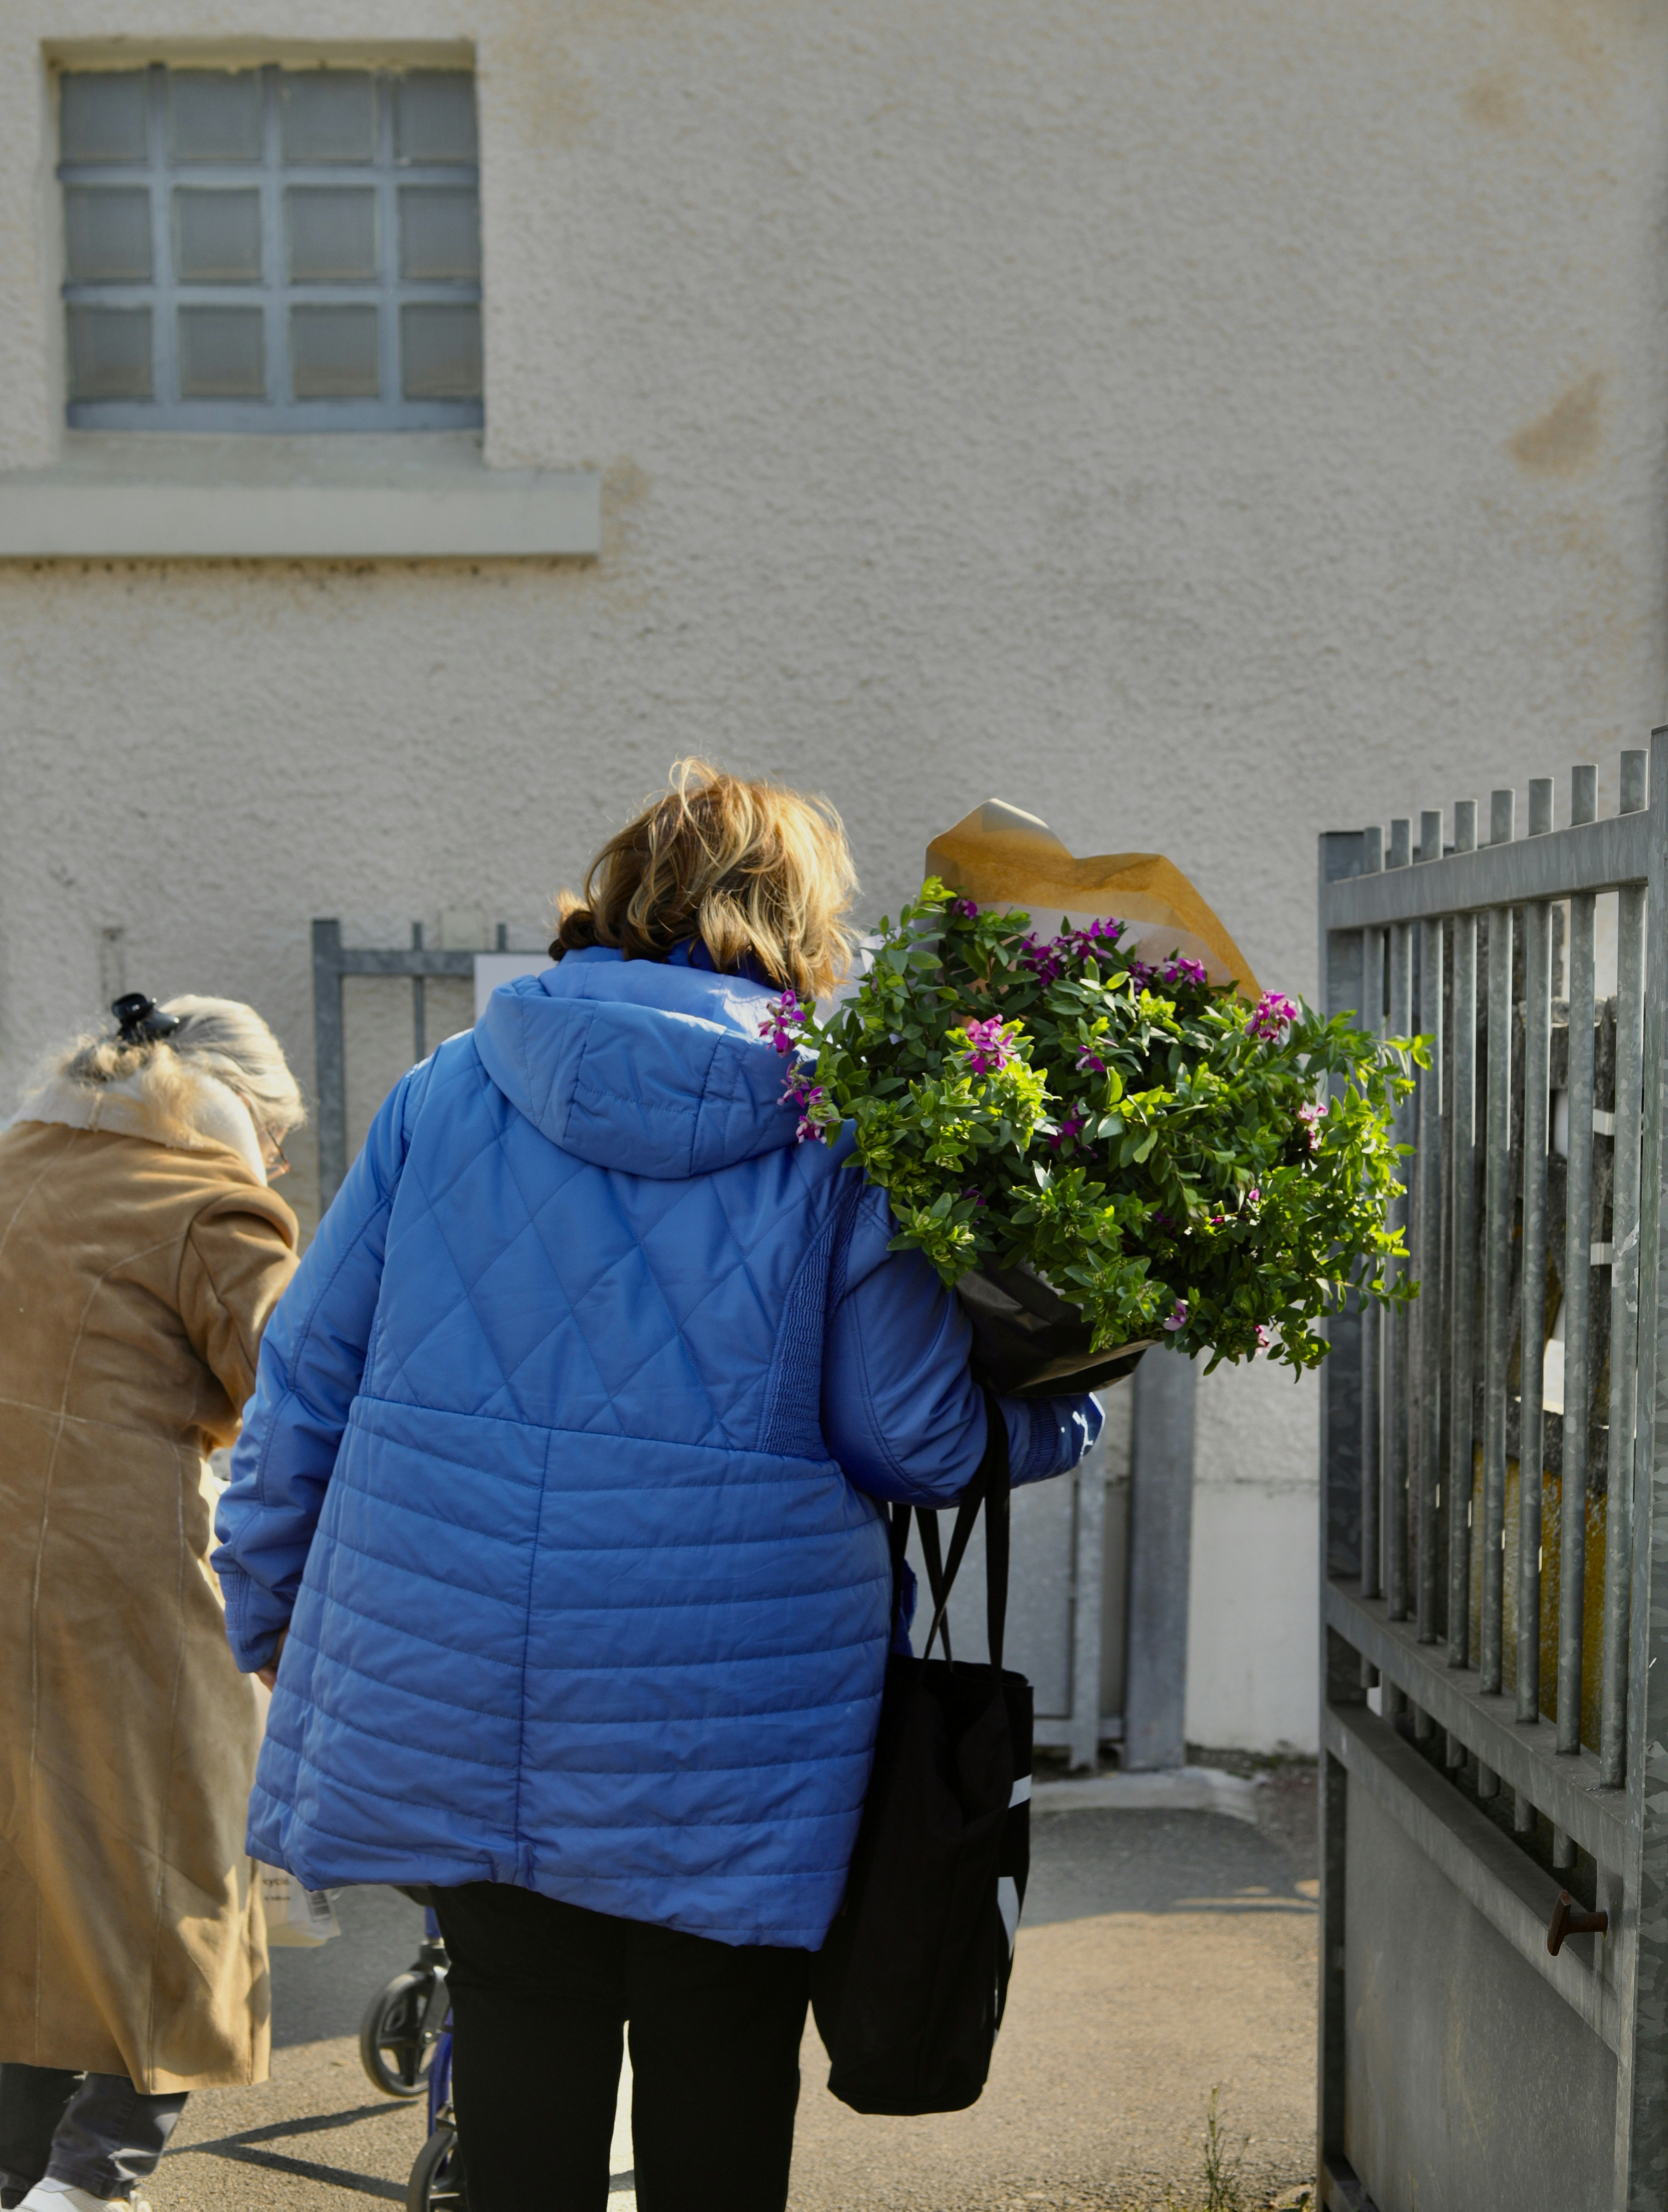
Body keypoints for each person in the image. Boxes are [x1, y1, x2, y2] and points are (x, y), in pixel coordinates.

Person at [212, 762, 1101, 2212]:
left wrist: (271, 1613)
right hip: (733, 1719)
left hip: (457, 1676)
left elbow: (304, 1374)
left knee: (519, 2079)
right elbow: (914, 1441)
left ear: (623, 894)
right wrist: (1063, 1427)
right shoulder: (841, 1134)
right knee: (721, 2089)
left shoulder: (447, 1094)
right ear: (800, 926)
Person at [0, 994, 304, 2212]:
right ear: (242, 1115)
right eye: (274, 1137)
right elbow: (301, 1397)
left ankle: (22, 2175)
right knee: (183, 1878)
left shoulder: (19, 1165)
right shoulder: (208, 1203)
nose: (275, 1161)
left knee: (30, 1886)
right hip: (126, 1596)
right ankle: (88, 2182)